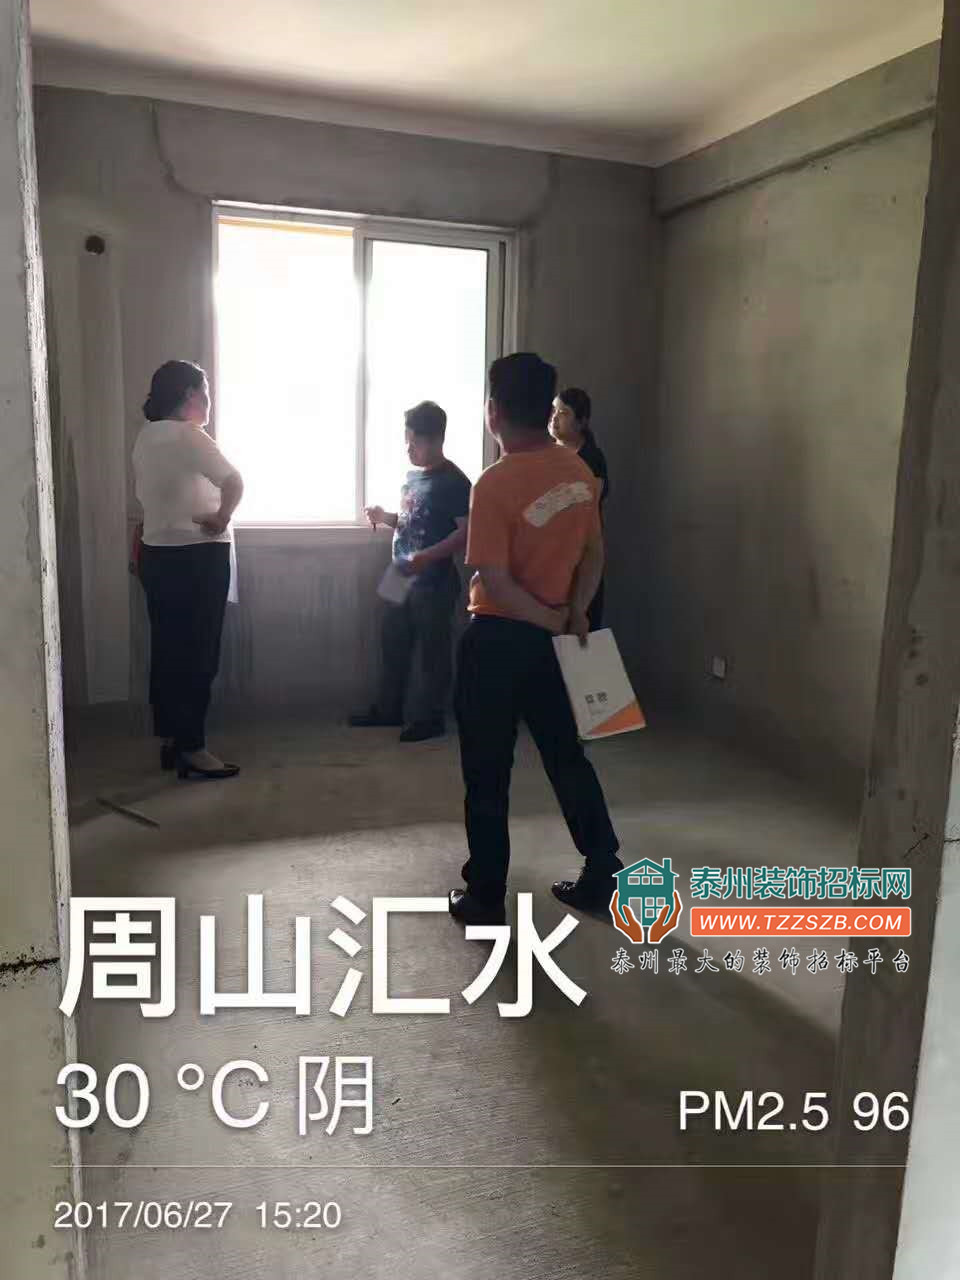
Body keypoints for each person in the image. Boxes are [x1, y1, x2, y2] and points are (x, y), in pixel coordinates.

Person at [449, 353, 624, 926]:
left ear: (493, 412)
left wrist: (549, 620)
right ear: (549, 412)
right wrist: (573, 612)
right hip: (559, 638)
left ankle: (485, 896)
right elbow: (594, 554)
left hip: (499, 640)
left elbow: (495, 580)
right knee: (567, 756)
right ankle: (604, 870)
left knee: (487, 769)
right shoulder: (578, 472)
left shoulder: (494, 483)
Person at [133, 360, 244, 780]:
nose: (209, 400)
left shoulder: (146, 437)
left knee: (168, 651)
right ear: (190, 395)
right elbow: (234, 481)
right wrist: (221, 517)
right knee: (199, 654)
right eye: (206, 391)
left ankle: (172, 739)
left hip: (157, 554)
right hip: (198, 555)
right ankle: (193, 748)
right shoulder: (189, 435)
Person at [350, 401, 471, 743]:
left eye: (414, 442)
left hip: (433, 580)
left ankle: (431, 718)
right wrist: (384, 516)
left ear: (435, 440)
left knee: (433, 652)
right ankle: (389, 709)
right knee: (392, 644)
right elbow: (410, 522)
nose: (408, 449)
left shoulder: (455, 482)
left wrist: (427, 557)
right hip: (399, 573)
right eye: (406, 441)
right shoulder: (412, 478)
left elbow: (466, 533)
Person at [550, 386, 609, 629]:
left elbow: (584, 507)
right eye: (554, 410)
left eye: (564, 413)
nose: (555, 418)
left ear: (582, 421)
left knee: (579, 632)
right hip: (551, 558)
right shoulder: (546, 455)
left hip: (581, 557)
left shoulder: (591, 459)